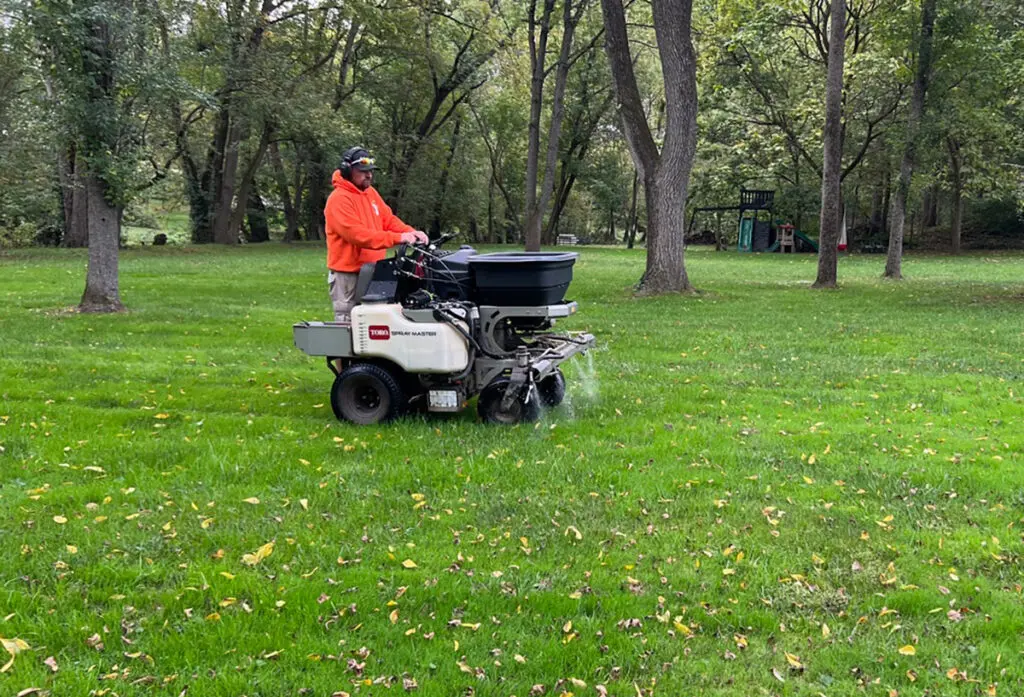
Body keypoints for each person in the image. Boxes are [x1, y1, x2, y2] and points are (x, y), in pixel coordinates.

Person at [324, 146, 429, 322]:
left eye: (371, 171)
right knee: (348, 322)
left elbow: (387, 219)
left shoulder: (370, 193)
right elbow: (357, 235)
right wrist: (398, 238)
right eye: (363, 171)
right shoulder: (338, 199)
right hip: (348, 275)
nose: (369, 175)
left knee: (374, 322)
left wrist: (410, 232)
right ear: (348, 171)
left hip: (373, 270)